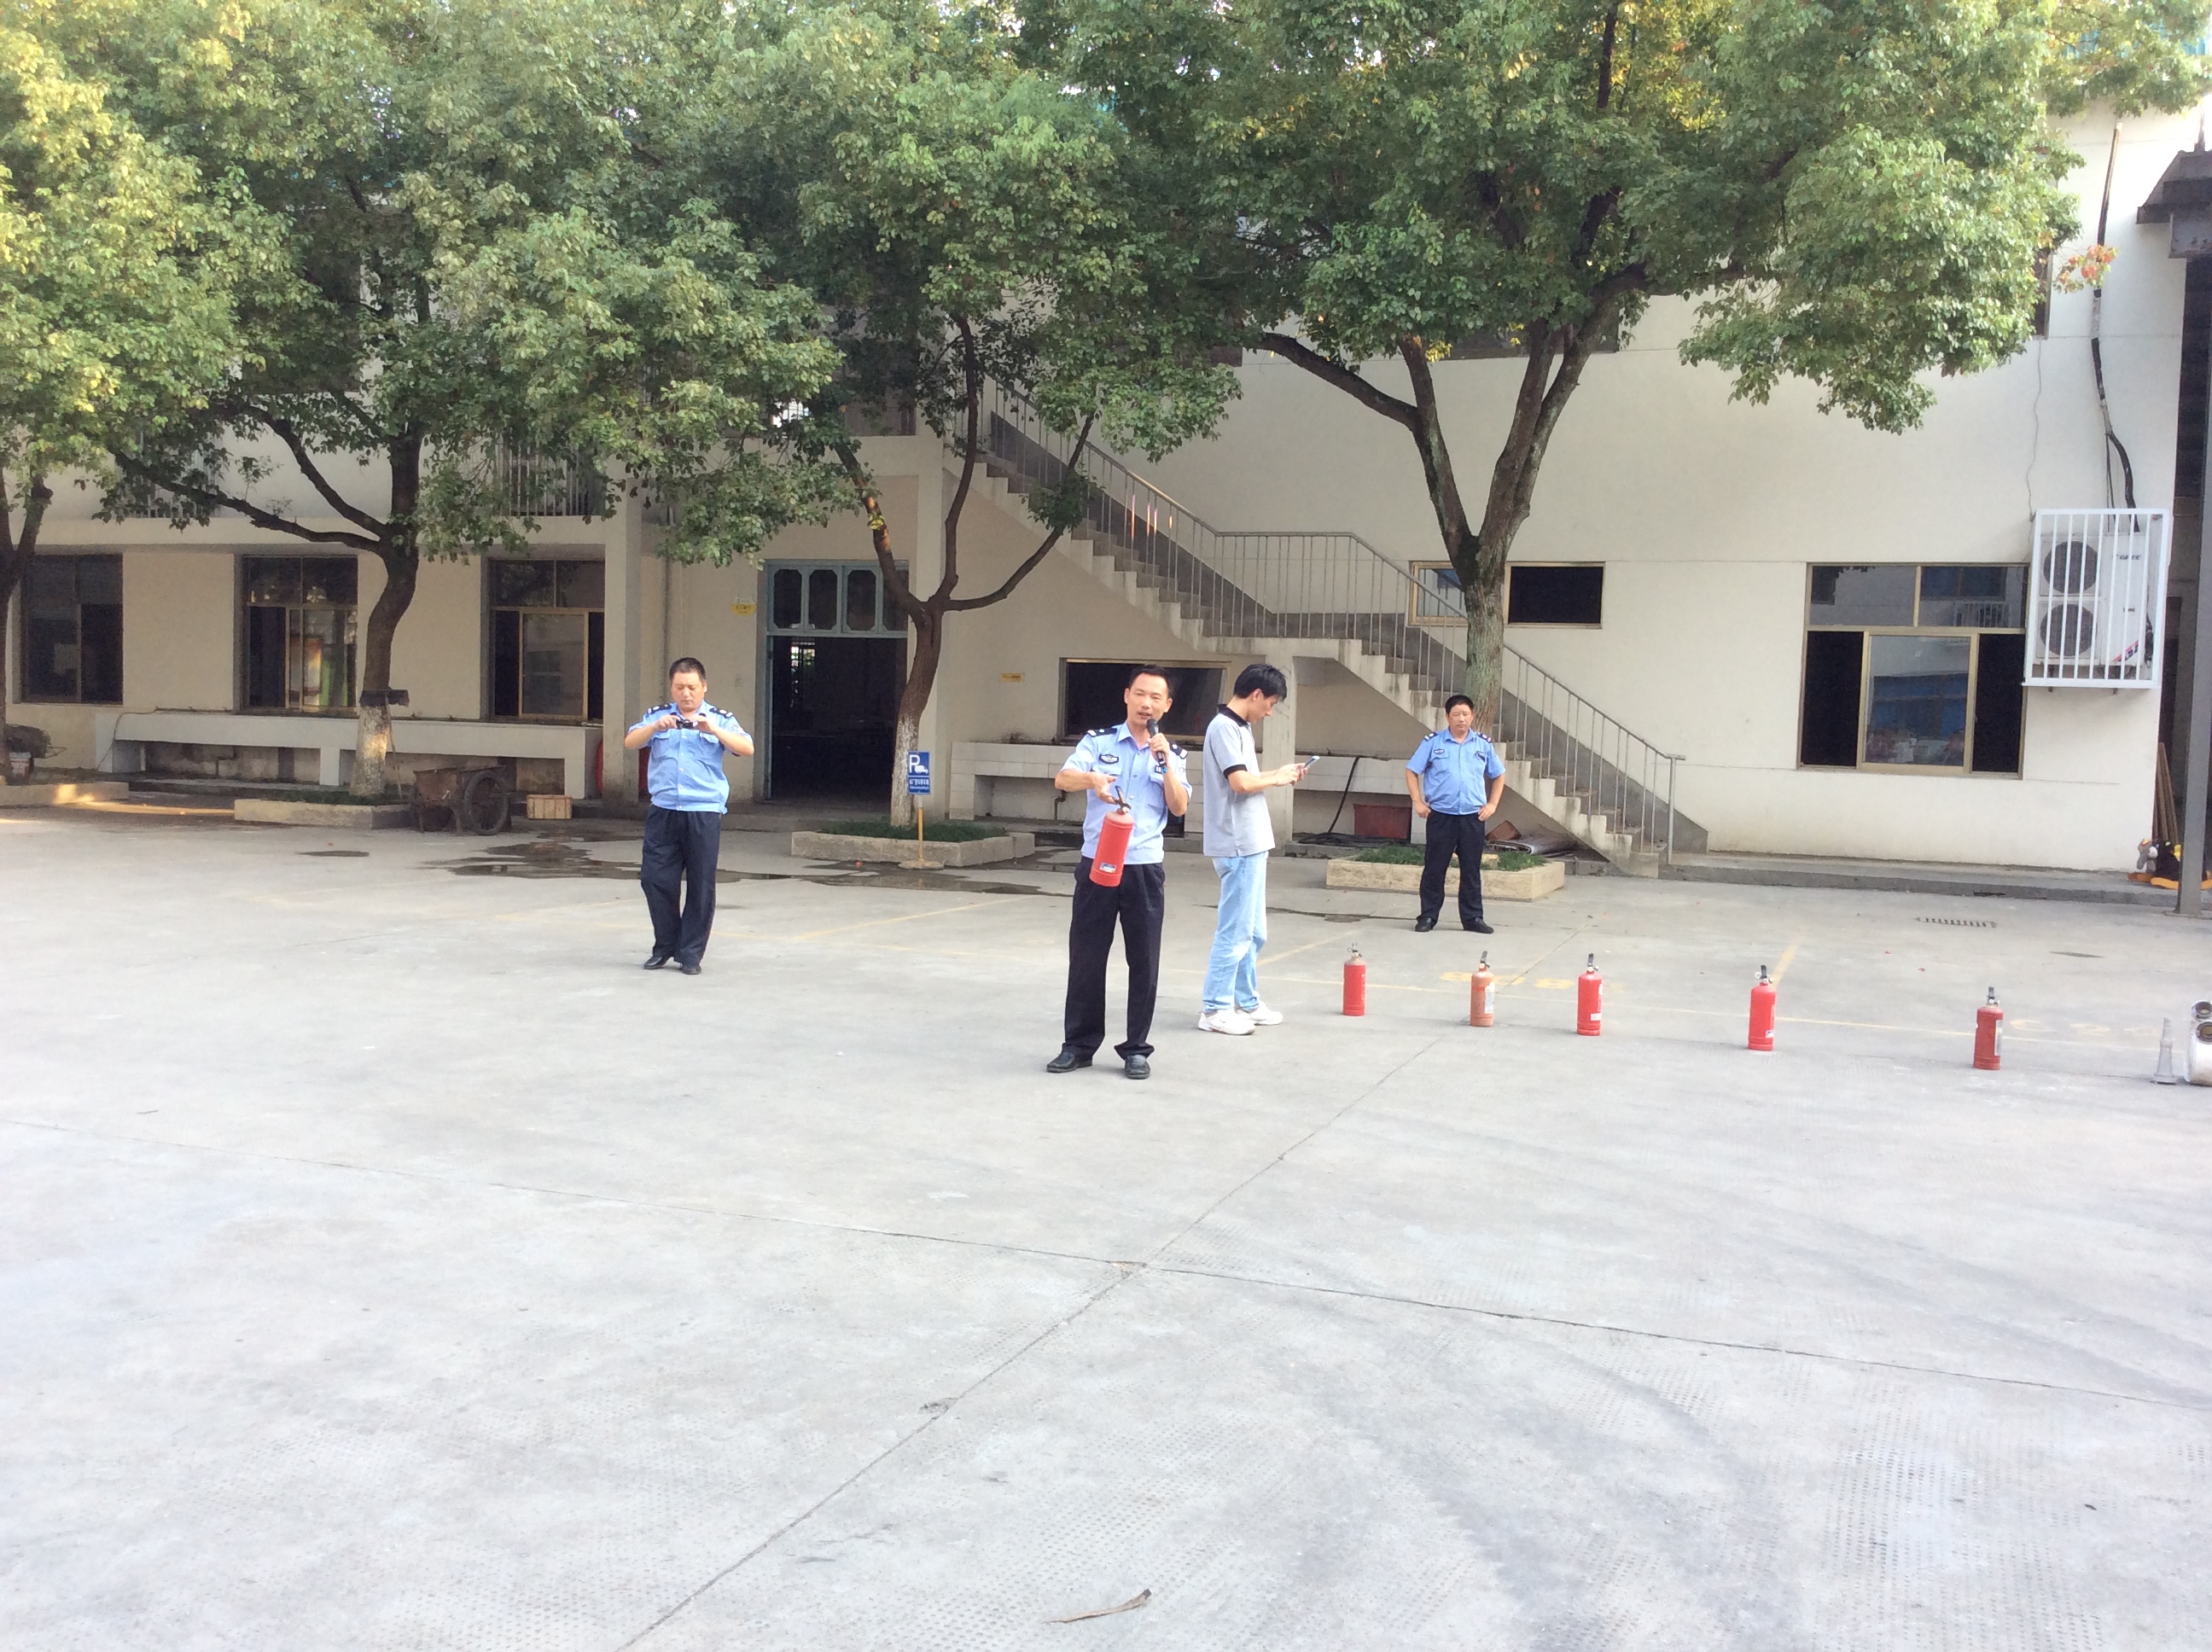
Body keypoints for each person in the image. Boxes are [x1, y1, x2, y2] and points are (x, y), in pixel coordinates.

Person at [1047, 666, 1190, 1080]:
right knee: (1087, 956)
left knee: (1143, 960)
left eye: (1156, 698)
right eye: (1140, 694)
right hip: (1098, 864)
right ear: (1127, 696)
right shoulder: (1098, 741)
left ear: (1167, 705)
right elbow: (1063, 778)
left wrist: (1165, 765)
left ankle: (1136, 1049)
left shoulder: (1173, 754)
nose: (1147, 704)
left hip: (1143, 867)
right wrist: (1091, 778)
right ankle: (1078, 1046)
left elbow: (1179, 807)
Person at [622, 657, 754, 974]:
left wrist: (715, 730)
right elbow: (630, 741)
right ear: (671, 688)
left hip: (703, 812)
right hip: (664, 810)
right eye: (680, 687)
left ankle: (691, 954)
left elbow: (746, 748)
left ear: (704, 687)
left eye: (692, 687)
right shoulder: (658, 716)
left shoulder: (720, 718)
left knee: (701, 884)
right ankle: (665, 945)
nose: (686, 694)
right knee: (655, 879)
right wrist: (655, 727)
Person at [1198, 663, 1307, 1034]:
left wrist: (1280, 774)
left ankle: (1245, 1001)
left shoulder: (1239, 727)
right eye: (1271, 704)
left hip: (1252, 841)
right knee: (1236, 930)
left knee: (1254, 931)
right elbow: (1241, 783)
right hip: (1237, 842)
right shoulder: (1224, 728)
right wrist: (1277, 778)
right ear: (1256, 694)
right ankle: (1215, 1008)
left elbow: (1247, 778)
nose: (1269, 712)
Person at [1406, 693, 1506, 934]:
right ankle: (1428, 916)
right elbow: (1412, 771)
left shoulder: (1482, 744)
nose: (1461, 719)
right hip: (1442, 816)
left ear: (1472, 716)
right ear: (1447, 717)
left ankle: (1473, 918)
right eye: (1456, 714)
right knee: (1434, 868)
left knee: (1471, 870)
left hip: (1473, 817)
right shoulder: (1433, 743)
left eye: (1466, 714)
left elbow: (1498, 774)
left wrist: (1492, 804)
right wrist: (1417, 801)